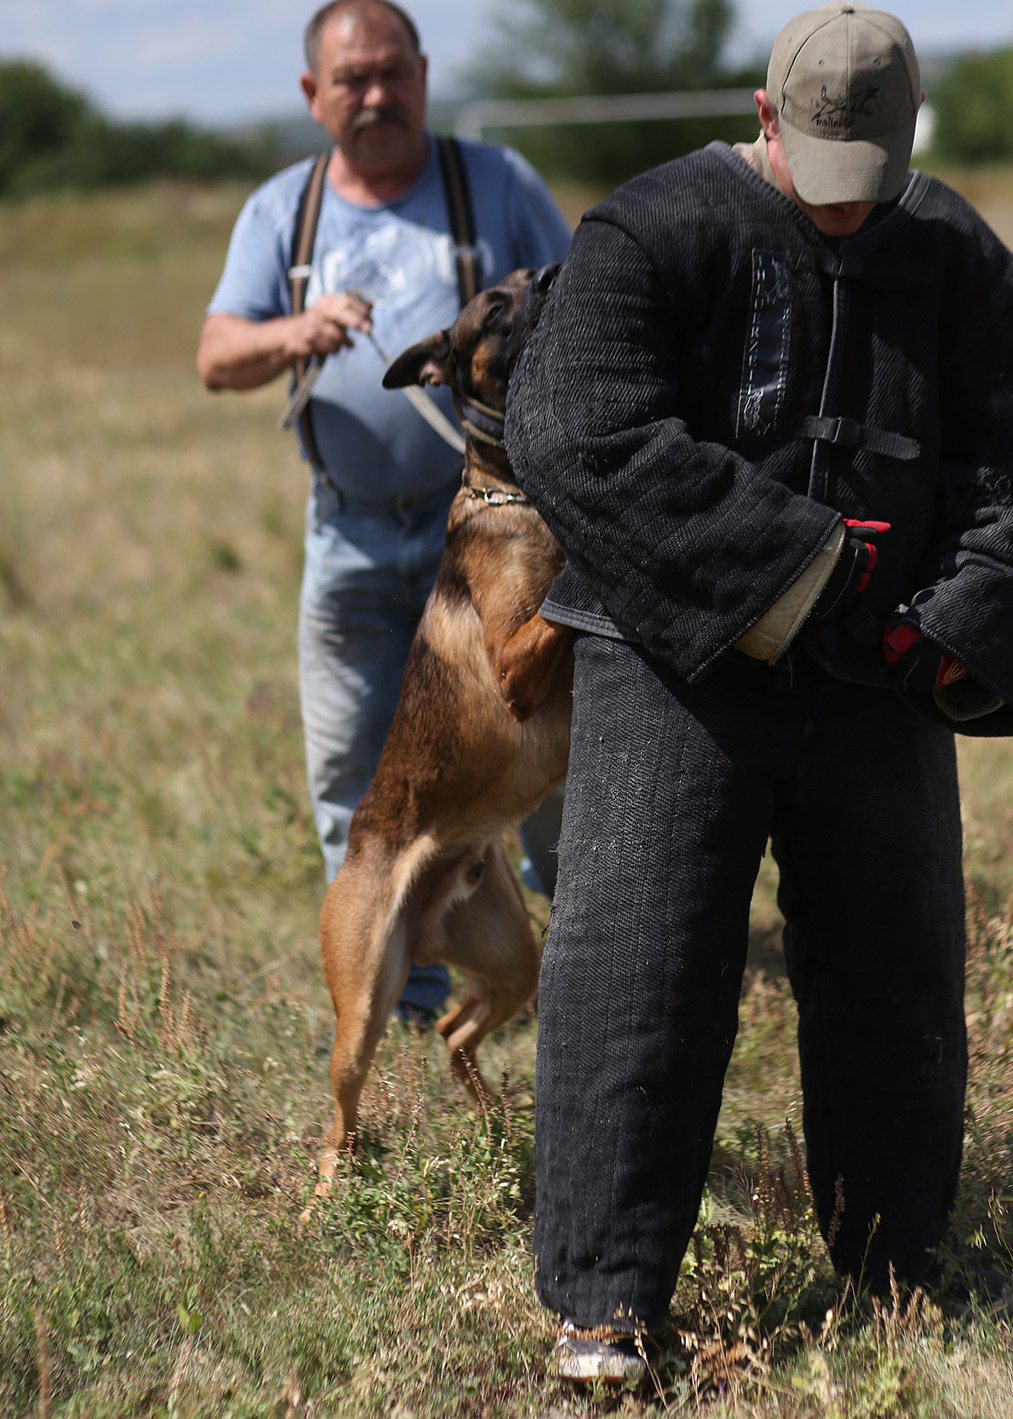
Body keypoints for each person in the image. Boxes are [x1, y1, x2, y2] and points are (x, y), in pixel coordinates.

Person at [505, 0, 1013, 1385]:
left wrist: (957, 619)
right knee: (640, 964)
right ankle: (604, 1309)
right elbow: (579, 431)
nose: (849, 213)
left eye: (876, 181)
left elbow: (1004, 462)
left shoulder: (958, 248)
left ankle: (898, 1268)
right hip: (675, 658)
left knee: (898, 966)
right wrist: (801, 570)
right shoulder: (648, 232)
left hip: (885, 675)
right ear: (761, 113)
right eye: (820, 174)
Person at [197, 0, 571, 1021]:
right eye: (351, 79)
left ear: (422, 71)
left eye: (392, 72)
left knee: (541, 756)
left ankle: (574, 966)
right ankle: (396, 1000)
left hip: (499, 534)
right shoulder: (285, 210)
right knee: (355, 786)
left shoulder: (493, 182)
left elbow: (580, 301)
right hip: (353, 538)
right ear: (313, 96)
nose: (375, 94)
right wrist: (294, 330)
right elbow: (214, 357)